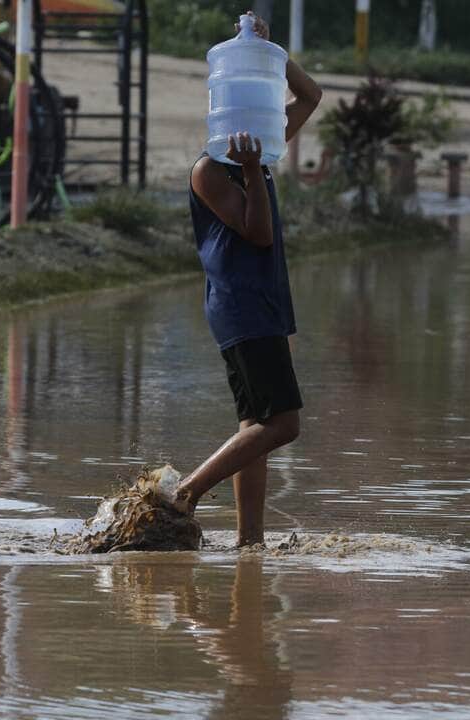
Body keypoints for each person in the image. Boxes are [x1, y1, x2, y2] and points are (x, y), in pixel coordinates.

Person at [164, 12, 322, 547]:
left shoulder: (265, 150)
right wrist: (252, 170)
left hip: (261, 303)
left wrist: (270, 53)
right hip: (242, 306)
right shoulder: (212, 170)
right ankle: (185, 493)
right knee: (284, 425)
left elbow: (311, 96)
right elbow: (257, 233)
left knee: (254, 425)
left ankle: (249, 542)